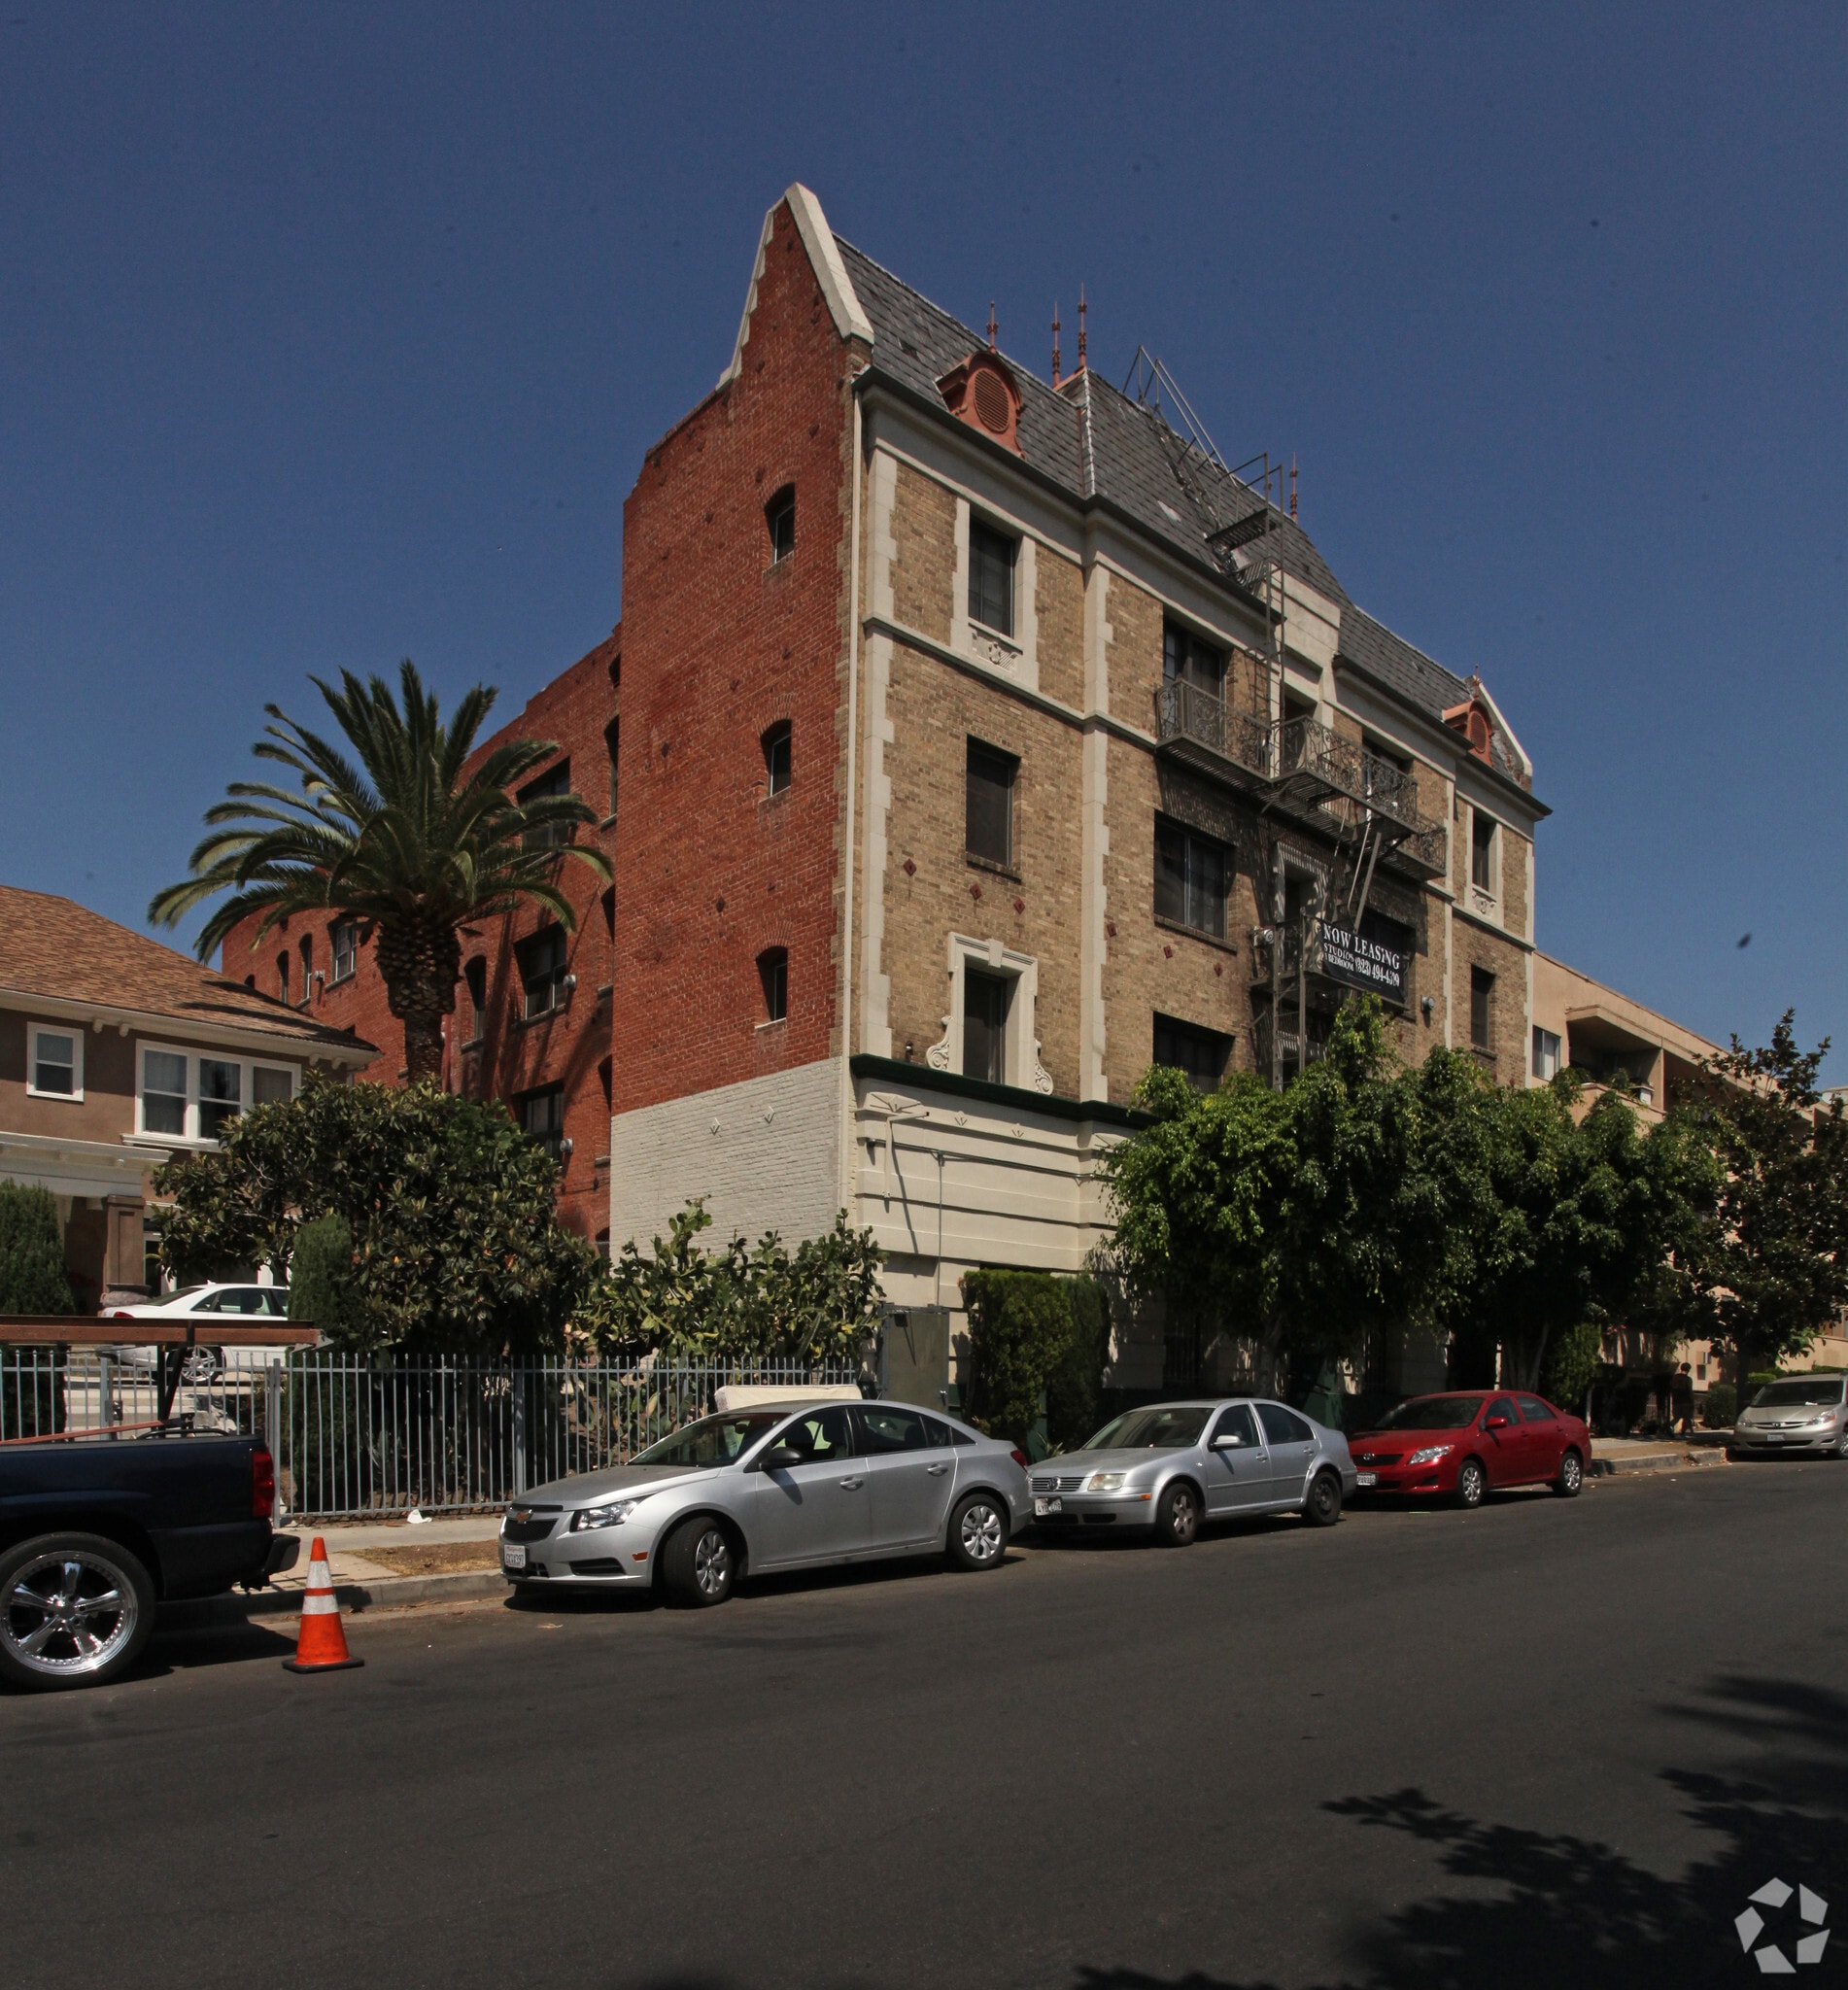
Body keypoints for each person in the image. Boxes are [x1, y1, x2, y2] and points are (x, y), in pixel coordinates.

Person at [1671, 1362, 1695, 1436]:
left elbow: (1671, 1388)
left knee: (1676, 1417)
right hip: (1686, 1401)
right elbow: (1689, 1391)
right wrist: (1692, 1401)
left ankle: (1669, 1427)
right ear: (1688, 1370)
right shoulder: (1688, 1379)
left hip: (1676, 1401)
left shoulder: (1674, 1378)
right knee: (1686, 1417)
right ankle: (1683, 1432)